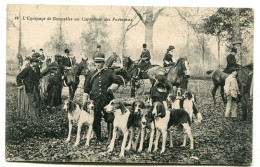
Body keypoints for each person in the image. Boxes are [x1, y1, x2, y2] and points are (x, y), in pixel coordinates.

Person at [83, 52, 123, 146]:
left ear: (103, 62)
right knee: (96, 119)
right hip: (95, 101)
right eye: (96, 62)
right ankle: (99, 138)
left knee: (109, 118)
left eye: (100, 62)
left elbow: (117, 81)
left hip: (107, 100)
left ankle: (109, 138)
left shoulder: (109, 72)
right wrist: (84, 101)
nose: (98, 64)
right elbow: (86, 89)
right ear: (94, 63)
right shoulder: (91, 74)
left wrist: (112, 87)